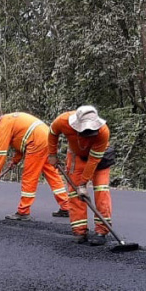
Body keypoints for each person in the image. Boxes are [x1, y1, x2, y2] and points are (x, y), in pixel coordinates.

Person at [0, 111, 70, 220]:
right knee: (52, 174)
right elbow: (22, 143)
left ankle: (23, 211)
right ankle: (66, 206)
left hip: (36, 142)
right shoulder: (11, 120)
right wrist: (15, 161)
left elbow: (1, 152)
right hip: (47, 138)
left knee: (29, 177)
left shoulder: (3, 125)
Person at [47, 105, 114, 246]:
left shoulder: (103, 132)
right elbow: (52, 132)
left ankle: (102, 231)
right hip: (77, 156)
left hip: (99, 159)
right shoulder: (63, 121)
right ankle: (79, 231)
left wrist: (83, 184)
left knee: (101, 191)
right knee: (74, 193)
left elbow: (93, 160)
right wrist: (52, 154)